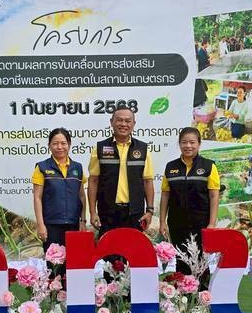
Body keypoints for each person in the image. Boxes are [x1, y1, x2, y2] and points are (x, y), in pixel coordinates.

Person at [159, 127, 220, 284]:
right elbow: (165, 195)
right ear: (179, 144)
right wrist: (162, 221)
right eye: (184, 142)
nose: (188, 146)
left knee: (201, 261)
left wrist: (212, 223)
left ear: (199, 144)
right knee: (181, 260)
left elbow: (214, 196)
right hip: (177, 223)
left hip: (201, 222)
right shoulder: (170, 167)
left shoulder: (209, 166)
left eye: (192, 142)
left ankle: (202, 293)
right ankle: (183, 293)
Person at [88, 106, 154, 239]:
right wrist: (93, 212)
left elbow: (147, 181)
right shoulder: (100, 148)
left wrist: (150, 211)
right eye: (119, 120)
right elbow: (93, 181)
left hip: (135, 213)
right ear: (111, 122)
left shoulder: (142, 149)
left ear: (134, 124)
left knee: (133, 250)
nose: (123, 124)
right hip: (107, 213)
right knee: (108, 250)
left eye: (128, 121)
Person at [32, 127, 86, 253]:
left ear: (69, 145)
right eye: (55, 143)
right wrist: (40, 224)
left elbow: (82, 196)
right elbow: (37, 197)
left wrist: (83, 221)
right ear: (49, 146)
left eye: (63, 143)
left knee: (74, 261)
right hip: (51, 225)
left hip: (73, 224)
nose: (59, 147)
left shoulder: (78, 168)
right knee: (54, 262)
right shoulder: (42, 167)